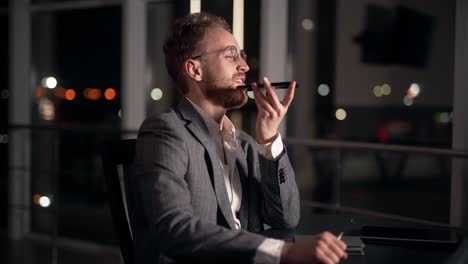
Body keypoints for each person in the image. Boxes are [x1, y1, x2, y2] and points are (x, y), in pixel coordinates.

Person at [129, 12, 348, 264]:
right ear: (194, 69)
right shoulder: (165, 131)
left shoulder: (242, 143)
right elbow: (174, 228)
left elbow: (285, 219)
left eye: (242, 55)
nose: (244, 66)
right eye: (231, 56)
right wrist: (283, 252)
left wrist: (268, 141)